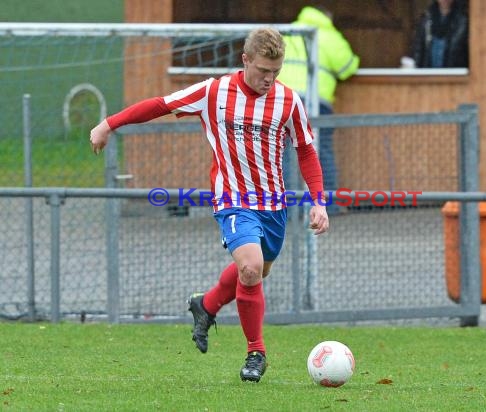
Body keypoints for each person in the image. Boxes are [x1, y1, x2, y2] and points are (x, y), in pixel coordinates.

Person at [89, 27, 329, 383]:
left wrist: (318, 200)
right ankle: (256, 353)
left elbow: (306, 149)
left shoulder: (288, 100)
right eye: (263, 70)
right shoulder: (213, 92)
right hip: (232, 199)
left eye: (275, 72)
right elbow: (161, 104)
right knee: (250, 268)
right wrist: (110, 123)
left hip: (273, 203)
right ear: (245, 60)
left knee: (258, 270)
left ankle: (207, 304)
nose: (269, 78)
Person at [278, 5, 359, 213]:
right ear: (328, 16)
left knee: (284, 154)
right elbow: (348, 67)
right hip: (315, 103)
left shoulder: (287, 32)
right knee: (320, 152)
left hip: (284, 101)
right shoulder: (330, 36)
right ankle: (328, 206)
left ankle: (288, 209)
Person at [411, 0, 469, 68]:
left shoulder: (463, 20)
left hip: (454, 74)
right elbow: (418, 49)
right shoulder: (427, 18)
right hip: (428, 73)